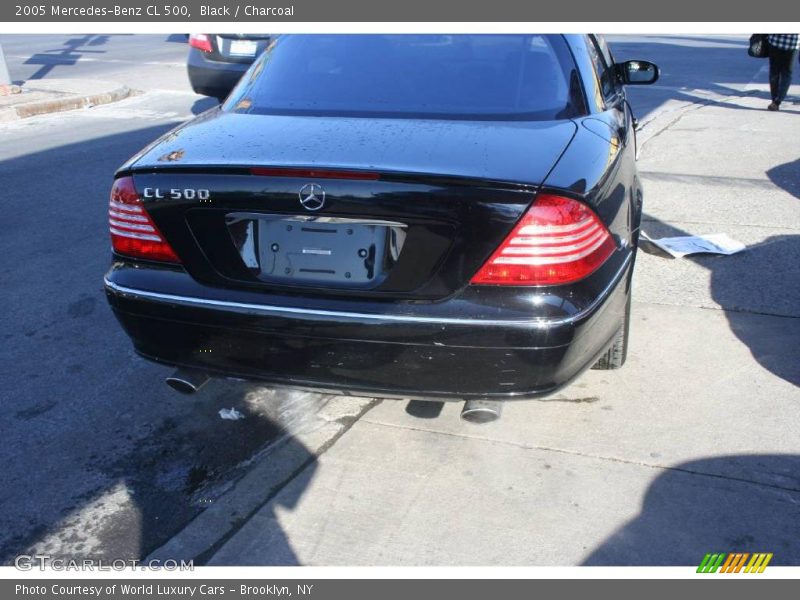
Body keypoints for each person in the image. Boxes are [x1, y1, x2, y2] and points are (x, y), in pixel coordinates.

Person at [766, 34, 800, 111]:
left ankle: (774, 100)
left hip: (775, 41)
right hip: (792, 43)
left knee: (774, 71)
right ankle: (777, 101)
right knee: (786, 73)